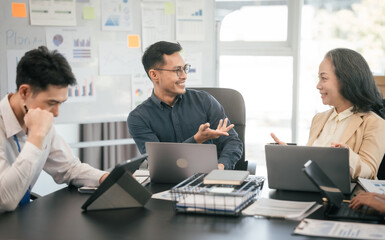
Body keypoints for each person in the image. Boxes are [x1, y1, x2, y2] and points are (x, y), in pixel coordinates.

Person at [0, 46, 109, 212]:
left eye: (61, 103)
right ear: (24, 92)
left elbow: (69, 168)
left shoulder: (42, 120)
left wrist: (105, 178)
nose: (56, 113)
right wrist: (36, 136)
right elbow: (4, 200)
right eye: (51, 103)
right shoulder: (36, 126)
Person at [271, 48, 385, 179]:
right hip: (310, 191)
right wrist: (291, 153)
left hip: (345, 198)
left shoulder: (375, 123)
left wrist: (347, 156)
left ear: (346, 80)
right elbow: (313, 162)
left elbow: (369, 172)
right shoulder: (319, 119)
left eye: (323, 78)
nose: (318, 85)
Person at [127, 41, 243, 170]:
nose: (184, 76)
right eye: (177, 70)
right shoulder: (139, 118)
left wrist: (220, 167)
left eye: (184, 68)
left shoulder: (204, 101)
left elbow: (233, 142)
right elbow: (160, 162)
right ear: (154, 75)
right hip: (168, 184)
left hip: (210, 178)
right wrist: (196, 140)